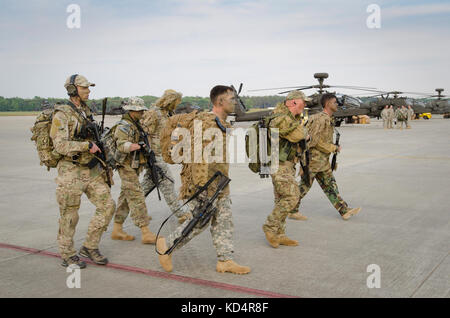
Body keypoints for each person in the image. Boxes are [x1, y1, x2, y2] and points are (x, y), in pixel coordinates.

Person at [156, 85, 251, 275]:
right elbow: (197, 157)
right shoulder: (207, 123)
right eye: (232, 99)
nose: (235, 103)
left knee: (224, 219)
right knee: (199, 221)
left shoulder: (221, 123)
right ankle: (167, 246)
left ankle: (225, 260)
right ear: (220, 102)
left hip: (220, 181)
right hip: (205, 184)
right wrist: (202, 187)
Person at [50, 74, 116, 268]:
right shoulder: (62, 114)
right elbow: (60, 146)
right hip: (71, 171)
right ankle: (68, 254)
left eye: (88, 88)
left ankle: (90, 246)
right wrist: (86, 146)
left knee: (107, 205)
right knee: (70, 215)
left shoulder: (86, 112)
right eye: (84, 88)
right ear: (72, 90)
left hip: (91, 169)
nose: (88, 91)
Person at [291, 93, 361, 221]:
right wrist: (333, 148)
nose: (337, 104)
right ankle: (287, 209)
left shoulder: (326, 118)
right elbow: (315, 141)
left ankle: (344, 210)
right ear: (328, 103)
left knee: (330, 186)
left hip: (322, 161)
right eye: (335, 102)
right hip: (314, 161)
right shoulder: (321, 119)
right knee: (303, 187)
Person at [262, 91, 310, 248]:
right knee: (292, 196)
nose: (305, 105)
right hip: (279, 164)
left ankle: (279, 234)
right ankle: (270, 226)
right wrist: (304, 132)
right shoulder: (281, 118)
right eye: (303, 102)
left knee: (281, 199)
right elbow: (299, 135)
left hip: (287, 164)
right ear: (293, 103)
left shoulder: (290, 118)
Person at [111, 97, 157, 244]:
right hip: (125, 165)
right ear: (131, 110)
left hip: (133, 165)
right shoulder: (124, 126)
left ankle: (117, 229)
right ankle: (146, 232)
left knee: (125, 197)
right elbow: (121, 145)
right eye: (139, 110)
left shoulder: (135, 124)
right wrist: (137, 146)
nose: (142, 112)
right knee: (137, 196)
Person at [140, 89, 191, 224]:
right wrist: (148, 155)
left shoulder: (168, 113)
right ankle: (181, 213)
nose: (176, 105)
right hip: (154, 155)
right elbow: (144, 134)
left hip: (163, 153)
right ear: (170, 101)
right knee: (168, 182)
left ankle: (133, 209)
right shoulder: (154, 113)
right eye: (175, 102)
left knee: (143, 187)